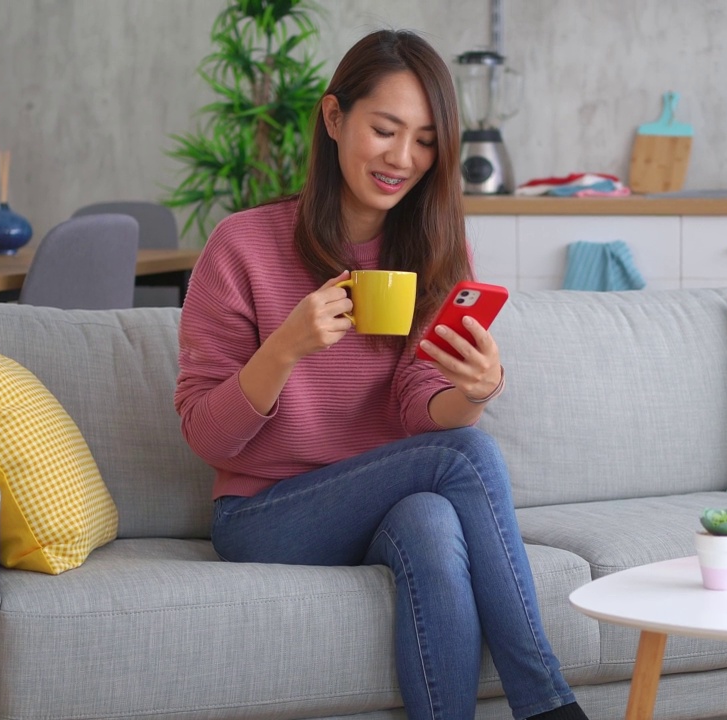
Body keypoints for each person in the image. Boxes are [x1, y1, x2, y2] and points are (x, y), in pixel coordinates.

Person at [174, 29, 589, 720]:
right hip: (264, 515)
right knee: (468, 457)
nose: (403, 158)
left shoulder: (434, 247)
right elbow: (206, 438)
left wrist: (471, 392)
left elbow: (416, 407)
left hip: (383, 499)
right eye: (386, 130)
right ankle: (547, 704)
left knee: (430, 517)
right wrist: (285, 348)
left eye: (425, 140)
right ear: (335, 120)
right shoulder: (242, 245)